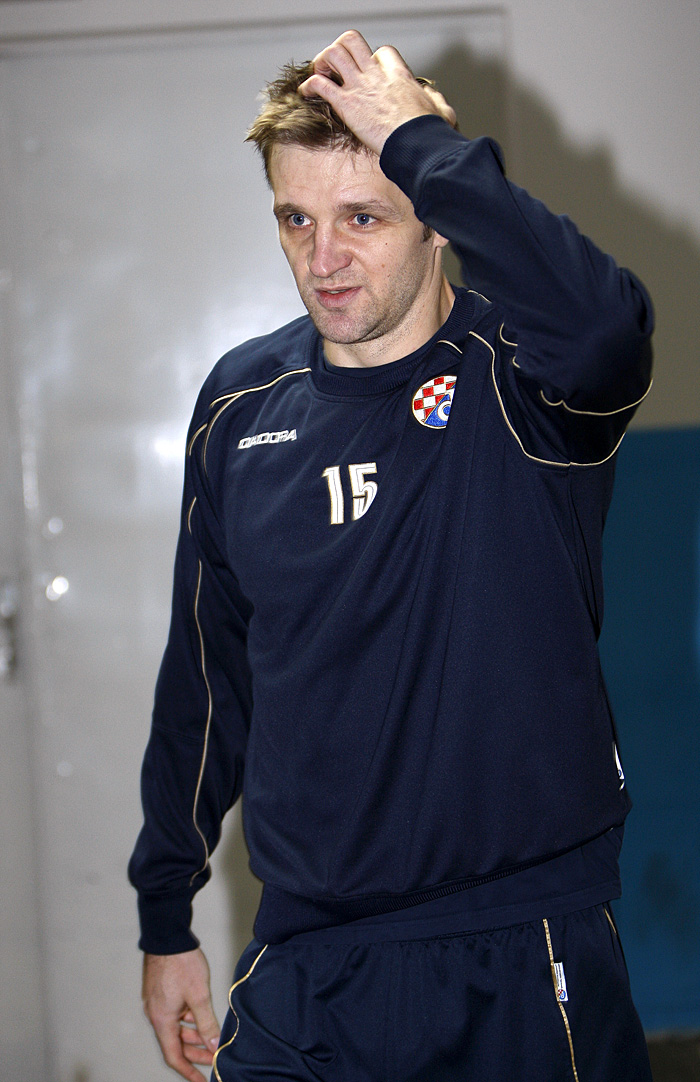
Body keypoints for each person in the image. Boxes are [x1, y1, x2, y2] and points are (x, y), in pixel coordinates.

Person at [129, 30, 655, 1082]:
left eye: (363, 216)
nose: (322, 259)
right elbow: (207, 672)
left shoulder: (524, 384)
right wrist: (165, 910)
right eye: (295, 219)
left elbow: (605, 327)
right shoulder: (239, 408)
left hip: (516, 946)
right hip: (304, 964)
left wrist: (416, 138)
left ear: (436, 221)